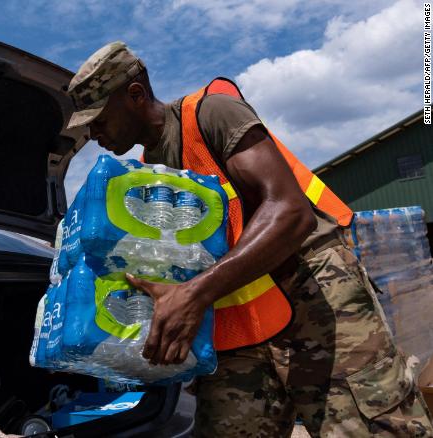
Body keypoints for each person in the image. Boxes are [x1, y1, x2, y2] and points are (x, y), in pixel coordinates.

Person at [65, 41, 433, 437]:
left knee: (367, 425)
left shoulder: (210, 113)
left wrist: (192, 295)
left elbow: (292, 213)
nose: (93, 133)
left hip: (312, 289)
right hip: (235, 316)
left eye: (98, 118)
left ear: (135, 95)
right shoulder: (145, 175)